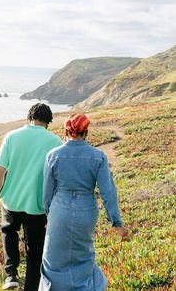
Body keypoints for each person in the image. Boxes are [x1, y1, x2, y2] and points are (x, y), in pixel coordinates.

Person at [39, 113, 128, 291]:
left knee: (52, 260)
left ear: (66, 131)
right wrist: (116, 222)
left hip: (59, 209)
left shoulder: (53, 155)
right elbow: (108, 192)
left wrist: (49, 215)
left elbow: (47, 193)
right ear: (85, 132)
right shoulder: (98, 157)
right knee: (83, 258)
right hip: (86, 210)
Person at [0, 103, 62, 291]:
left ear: (29, 117)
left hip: (11, 201)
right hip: (38, 206)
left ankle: (11, 274)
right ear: (48, 122)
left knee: (8, 231)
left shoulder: (11, 137)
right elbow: (59, 179)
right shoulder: (55, 141)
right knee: (35, 253)